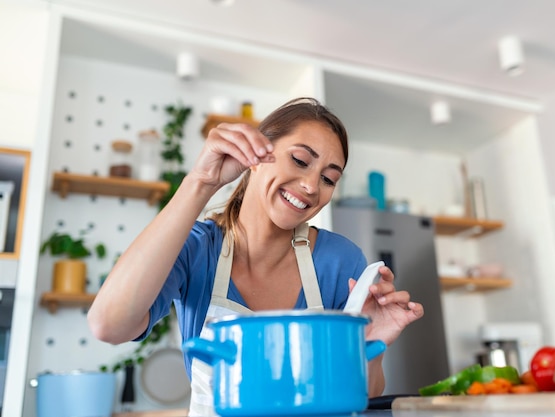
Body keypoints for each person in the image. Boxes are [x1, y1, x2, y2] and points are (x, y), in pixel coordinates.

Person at [88, 97, 424, 415]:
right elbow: (108, 325)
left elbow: (364, 397)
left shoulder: (341, 260)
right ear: (256, 156)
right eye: (300, 160)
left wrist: (368, 347)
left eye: (328, 178)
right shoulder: (197, 249)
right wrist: (202, 181)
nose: (311, 186)